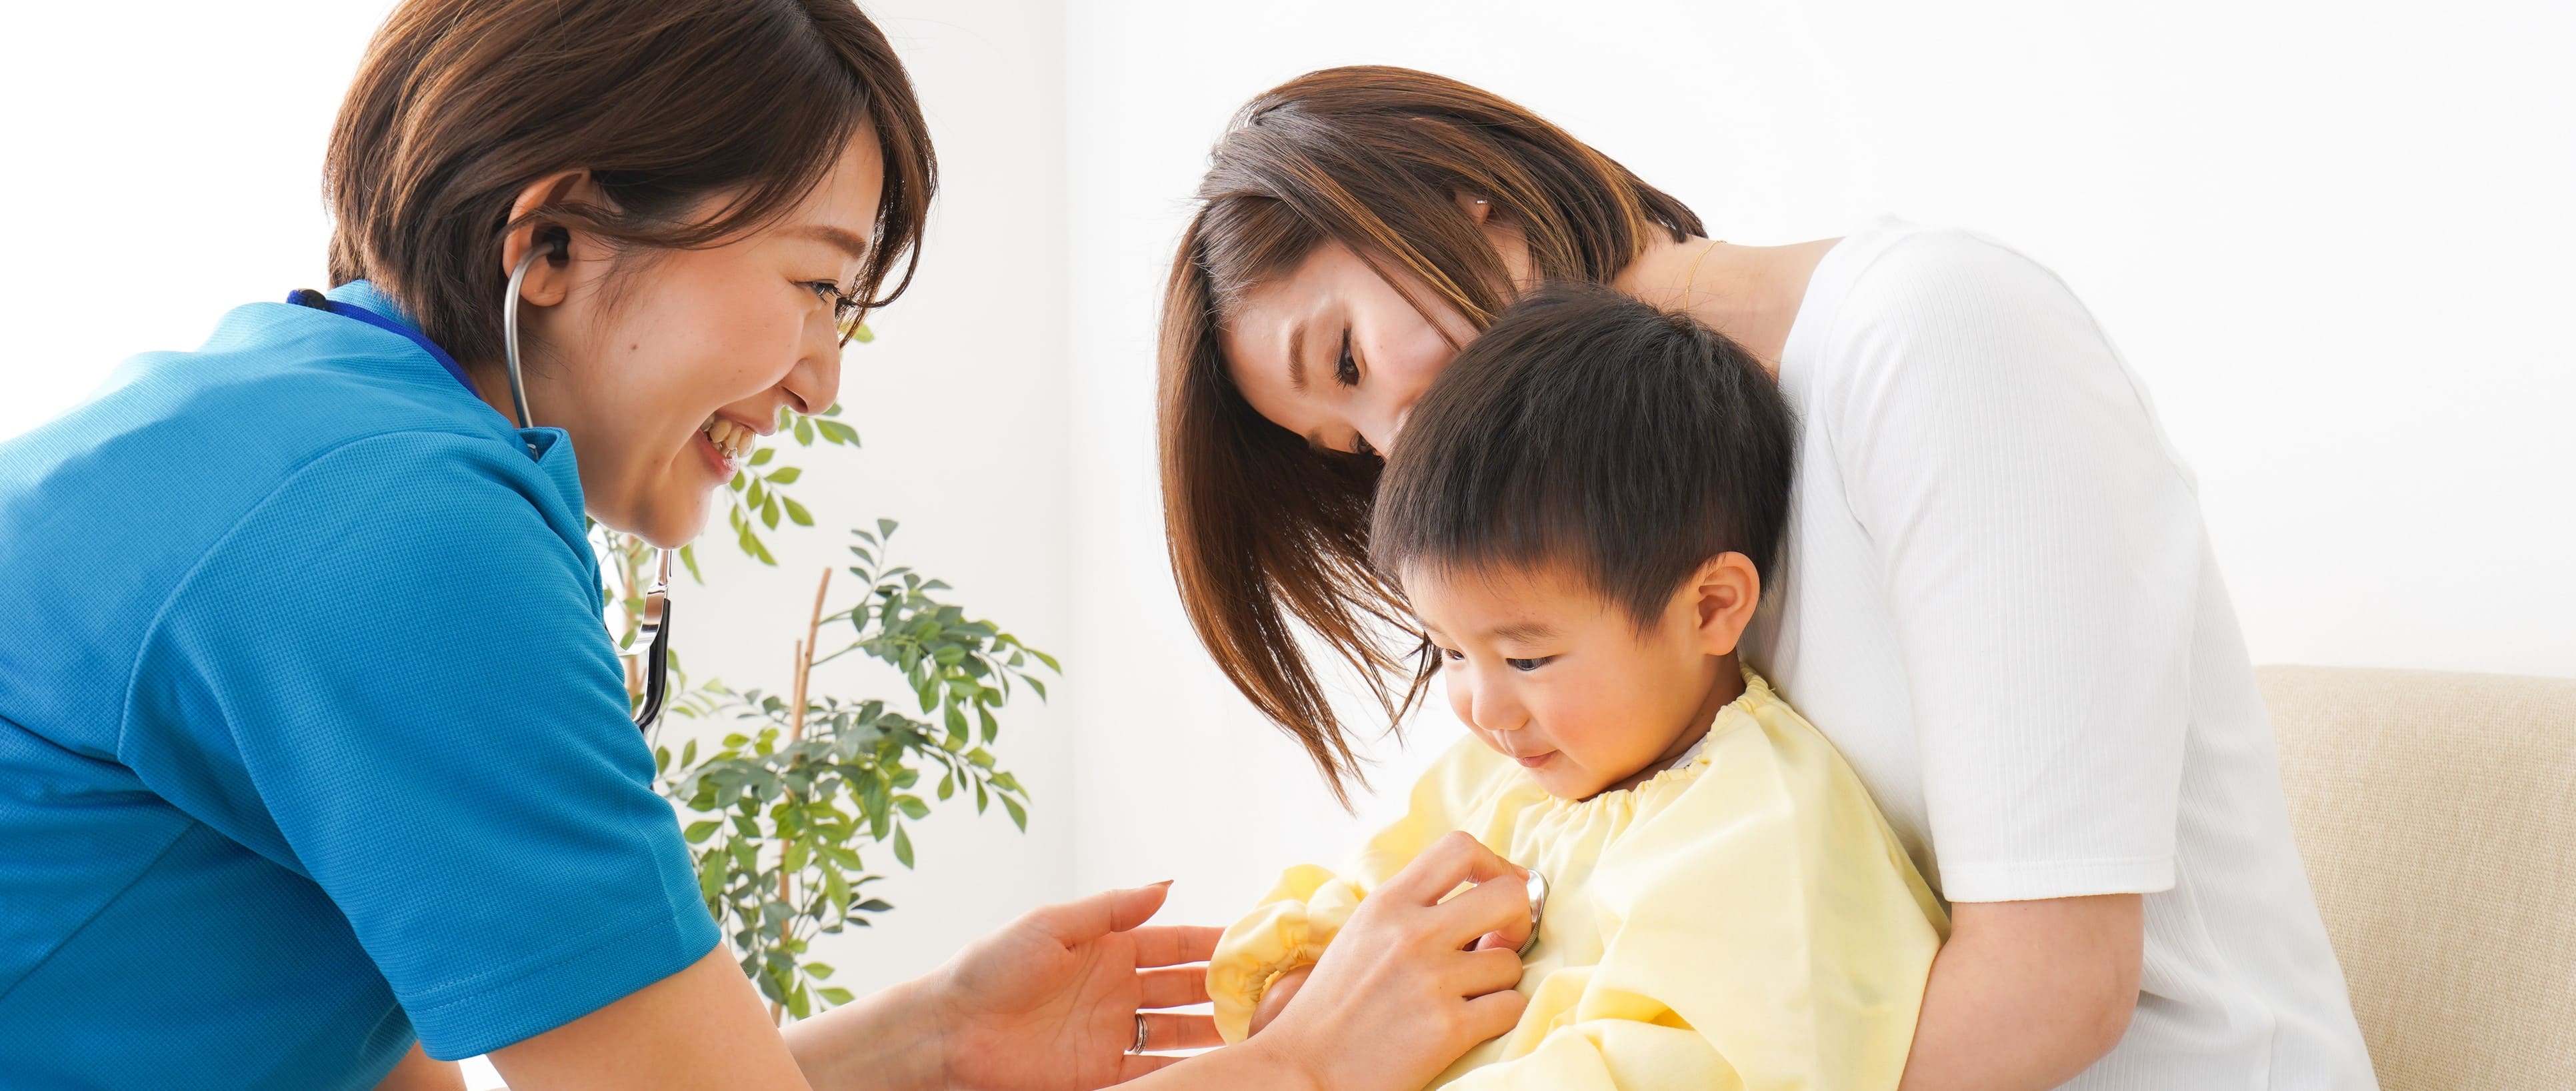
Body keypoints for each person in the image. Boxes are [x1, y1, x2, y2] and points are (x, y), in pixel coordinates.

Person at [0, 7, 1532, 1090]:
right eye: (815, 285)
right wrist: (1314, 1060)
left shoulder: (300, 417)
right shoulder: (390, 533)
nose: (824, 378)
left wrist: (930, 1038)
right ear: (554, 240)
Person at [1157, 66, 2377, 1089]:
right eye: (1348, 445)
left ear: (1466, 203)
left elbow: (2052, 990)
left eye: (1354, 358)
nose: (1397, 442)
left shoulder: (1931, 339)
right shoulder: (1609, 557)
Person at [1205, 285, 1948, 1088]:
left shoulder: (1753, 824)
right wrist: (1294, 984)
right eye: (1450, 651)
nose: (1483, 710)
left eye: (1527, 660)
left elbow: (1671, 1063)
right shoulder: (1494, 778)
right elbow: (1367, 899)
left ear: (1710, 607)